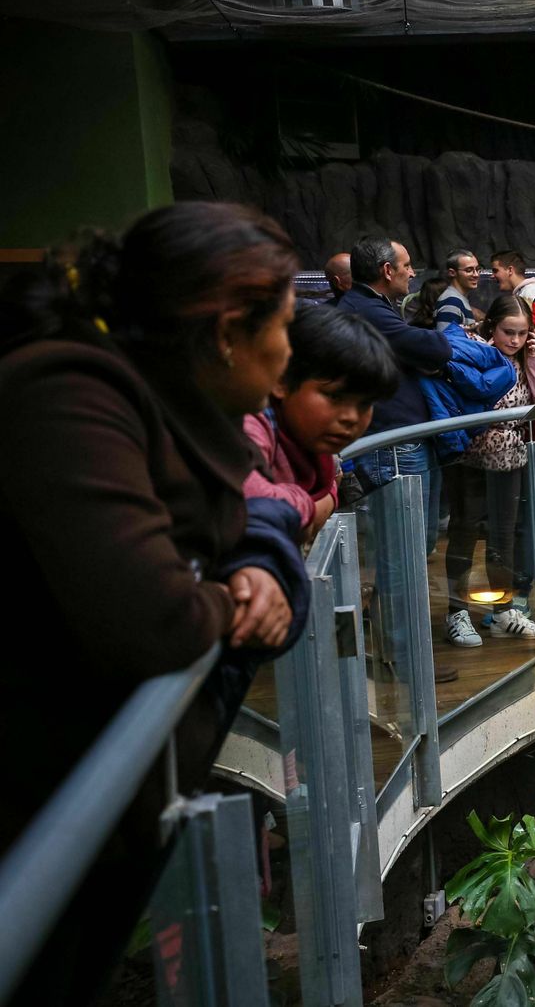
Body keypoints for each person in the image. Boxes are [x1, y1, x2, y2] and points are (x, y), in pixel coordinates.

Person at [0, 201, 308, 1001]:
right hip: (40, 806)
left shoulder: (165, 401)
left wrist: (249, 566)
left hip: (101, 795)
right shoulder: (67, 392)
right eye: (284, 324)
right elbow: (155, 621)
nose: (290, 349)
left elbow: (224, 528)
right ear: (229, 331)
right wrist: (227, 599)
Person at [244, 302, 400, 545]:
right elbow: (253, 505)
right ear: (281, 382)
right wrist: (317, 504)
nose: (351, 417)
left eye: (364, 404)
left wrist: (324, 500)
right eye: (335, 397)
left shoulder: (313, 441)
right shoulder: (249, 424)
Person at [332, 235, 451, 546]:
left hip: (401, 440)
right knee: (404, 546)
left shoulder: (371, 305)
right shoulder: (367, 310)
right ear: (387, 270)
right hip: (393, 447)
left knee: (417, 541)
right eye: (407, 266)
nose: (411, 273)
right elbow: (437, 349)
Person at [445, 293, 535, 645]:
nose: (514, 340)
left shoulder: (524, 357)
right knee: (465, 530)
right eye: (508, 332)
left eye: (522, 333)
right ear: (492, 327)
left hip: (510, 454)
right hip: (471, 453)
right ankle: (457, 611)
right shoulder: (475, 350)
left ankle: (503, 610)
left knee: (504, 534)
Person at [437, 248, 480, 328]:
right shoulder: (451, 302)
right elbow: (446, 335)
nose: (476, 275)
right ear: (452, 273)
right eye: (469, 270)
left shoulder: (458, 300)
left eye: (477, 269)